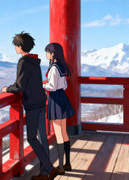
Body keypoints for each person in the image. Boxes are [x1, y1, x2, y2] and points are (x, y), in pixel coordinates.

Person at [2, 32, 58, 180]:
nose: (15, 48)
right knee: (43, 138)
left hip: (32, 104)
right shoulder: (35, 61)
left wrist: (7, 89)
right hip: (40, 101)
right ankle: (45, 173)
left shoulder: (23, 62)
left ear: (20, 46)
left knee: (32, 138)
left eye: (16, 46)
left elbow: (20, 85)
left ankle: (50, 169)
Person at [43, 43, 76, 175]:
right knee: (64, 133)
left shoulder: (53, 69)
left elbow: (51, 86)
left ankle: (61, 167)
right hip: (62, 97)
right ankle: (67, 163)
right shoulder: (61, 67)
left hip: (55, 99)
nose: (46, 54)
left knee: (58, 134)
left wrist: (43, 86)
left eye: (47, 52)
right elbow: (65, 85)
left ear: (52, 54)